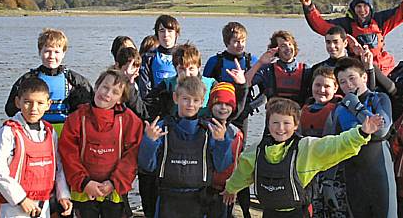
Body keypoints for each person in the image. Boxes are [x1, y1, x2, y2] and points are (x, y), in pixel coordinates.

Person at [223, 97, 384, 217]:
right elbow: (242, 174)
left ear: (295, 125)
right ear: (268, 124)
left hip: (298, 212)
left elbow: (336, 145)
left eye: (286, 123)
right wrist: (231, 189)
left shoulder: (306, 148)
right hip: (270, 212)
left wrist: (361, 133)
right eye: (275, 123)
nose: (280, 129)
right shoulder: (256, 150)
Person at [137, 76, 233, 218]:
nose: (190, 104)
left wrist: (221, 142)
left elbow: (221, 166)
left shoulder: (211, 131)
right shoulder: (161, 128)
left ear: (202, 102)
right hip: (167, 198)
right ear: (176, 98)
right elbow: (147, 165)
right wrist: (150, 141)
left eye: (195, 100)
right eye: (185, 99)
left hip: (199, 199)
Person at [299, 0, 403, 76]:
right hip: (357, 72)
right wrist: (308, 6)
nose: (362, 10)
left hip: (382, 71)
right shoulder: (345, 25)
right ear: (353, 8)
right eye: (358, 6)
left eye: (365, 6)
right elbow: (320, 25)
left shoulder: (381, 21)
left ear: (371, 7)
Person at [59, 69, 143, 218]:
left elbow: (132, 157)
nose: (107, 93)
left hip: (114, 190)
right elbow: (68, 155)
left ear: (120, 100)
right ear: (96, 87)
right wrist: (84, 183)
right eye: (105, 87)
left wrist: (113, 183)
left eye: (115, 92)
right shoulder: (77, 118)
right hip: (83, 190)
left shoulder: (130, 121)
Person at [321, 57, 395, 218]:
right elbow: (332, 148)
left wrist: (355, 106)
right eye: (343, 82)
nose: (348, 85)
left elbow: (381, 131)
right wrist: (327, 182)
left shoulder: (379, 99)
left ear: (364, 77)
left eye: (352, 78)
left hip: (380, 174)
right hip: (353, 177)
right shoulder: (339, 110)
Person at [0, 77, 72, 218]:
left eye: (40, 103)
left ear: (48, 104)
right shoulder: (7, 133)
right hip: (15, 206)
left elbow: (58, 167)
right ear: (17, 102)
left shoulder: (50, 133)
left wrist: (63, 195)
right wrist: (21, 199)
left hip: (43, 204)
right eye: (27, 102)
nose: (34, 108)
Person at [5, 28, 93, 135]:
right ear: (39, 52)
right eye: (47, 51)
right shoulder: (27, 80)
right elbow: (10, 110)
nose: (51, 56)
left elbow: (90, 110)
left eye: (56, 52)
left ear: (63, 53)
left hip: (67, 132)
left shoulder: (76, 81)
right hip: (35, 131)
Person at [298, 66, 342, 218]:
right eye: (317, 85)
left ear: (336, 88)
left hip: (333, 174)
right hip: (309, 171)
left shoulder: (339, 110)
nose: (321, 89)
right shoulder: (303, 111)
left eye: (327, 86)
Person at [204, 82, 247, 218]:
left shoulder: (237, 133)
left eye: (228, 104)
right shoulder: (202, 128)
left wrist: (233, 187)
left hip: (226, 190)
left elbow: (236, 164)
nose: (223, 108)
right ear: (211, 105)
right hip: (204, 189)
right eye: (218, 103)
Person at [144, 43, 218, 119]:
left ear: (199, 67)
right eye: (182, 69)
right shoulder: (167, 84)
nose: (187, 74)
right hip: (175, 127)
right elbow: (146, 106)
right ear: (175, 68)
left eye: (191, 69)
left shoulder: (211, 84)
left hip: (204, 127)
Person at [245, 30, 309, 106]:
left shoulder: (306, 70)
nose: (288, 48)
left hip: (298, 115)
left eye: (290, 44)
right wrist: (260, 63)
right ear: (276, 50)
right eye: (283, 46)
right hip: (274, 115)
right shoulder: (268, 70)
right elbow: (245, 83)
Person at [138, 15, 181, 99]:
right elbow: (144, 88)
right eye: (162, 31)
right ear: (157, 34)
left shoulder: (183, 56)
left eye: (170, 31)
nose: (166, 35)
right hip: (155, 103)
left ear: (176, 34)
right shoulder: (148, 57)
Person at [114, 46, 149, 120]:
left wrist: (130, 83)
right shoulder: (109, 84)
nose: (133, 75)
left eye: (135, 71)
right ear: (117, 66)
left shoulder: (135, 84)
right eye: (128, 70)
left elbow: (141, 112)